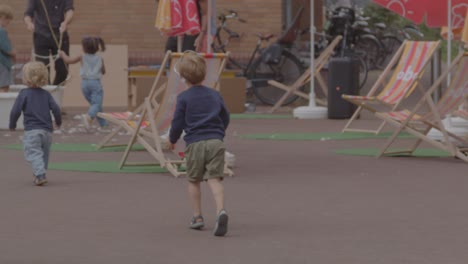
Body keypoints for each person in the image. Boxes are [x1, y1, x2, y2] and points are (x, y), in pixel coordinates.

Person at [169, 51, 230, 237]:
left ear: (183, 78)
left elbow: (177, 122)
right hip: (215, 141)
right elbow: (225, 116)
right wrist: (219, 132)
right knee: (215, 179)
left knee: (194, 180)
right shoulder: (215, 94)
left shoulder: (183, 98)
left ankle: (197, 217)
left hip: (195, 143)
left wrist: (172, 139)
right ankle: (221, 211)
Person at [9, 61, 62, 186]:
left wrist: (12, 124)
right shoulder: (47, 94)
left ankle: (40, 174)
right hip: (47, 132)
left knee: (33, 152)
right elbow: (56, 109)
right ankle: (40, 172)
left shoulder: (24, 94)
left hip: (32, 131)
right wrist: (58, 121)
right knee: (44, 154)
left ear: (26, 78)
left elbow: (15, 110)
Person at [59, 36, 108, 130]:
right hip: (95, 83)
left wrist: (62, 54)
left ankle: (103, 123)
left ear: (84, 48)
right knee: (96, 104)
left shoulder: (81, 57)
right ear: (97, 47)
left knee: (95, 104)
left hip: (84, 84)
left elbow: (68, 60)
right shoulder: (100, 59)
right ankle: (89, 117)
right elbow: (104, 72)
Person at [24, 0, 74, 85]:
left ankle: (55, 91)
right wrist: (29, 23)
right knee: (42, 69)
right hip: (41, 35)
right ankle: (46, 93)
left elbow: (70, 10)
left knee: (63, 70)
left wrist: (65, 22)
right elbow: (28, 14)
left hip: (60, 35)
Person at [0, 4, 15, 92]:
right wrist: (13, 53)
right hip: (3, 63)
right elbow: (6, 48)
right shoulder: (1, 31)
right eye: (8, 19)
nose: (9, 22)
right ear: (2, 17)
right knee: (4, 87)